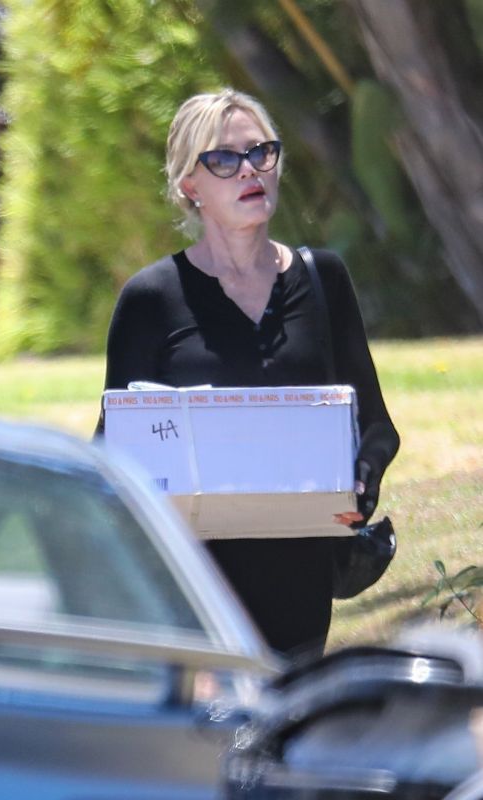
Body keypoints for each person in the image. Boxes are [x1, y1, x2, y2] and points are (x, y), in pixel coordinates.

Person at [97, 88, 400, 657]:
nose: (249, 169)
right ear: (191, 186)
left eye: (262, 152)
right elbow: (111, 448)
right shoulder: (151, 300)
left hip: (300, 574)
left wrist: (361, 478)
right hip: (194, 588)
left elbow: (377, 426)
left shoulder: (322, 278)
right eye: (223, 159)